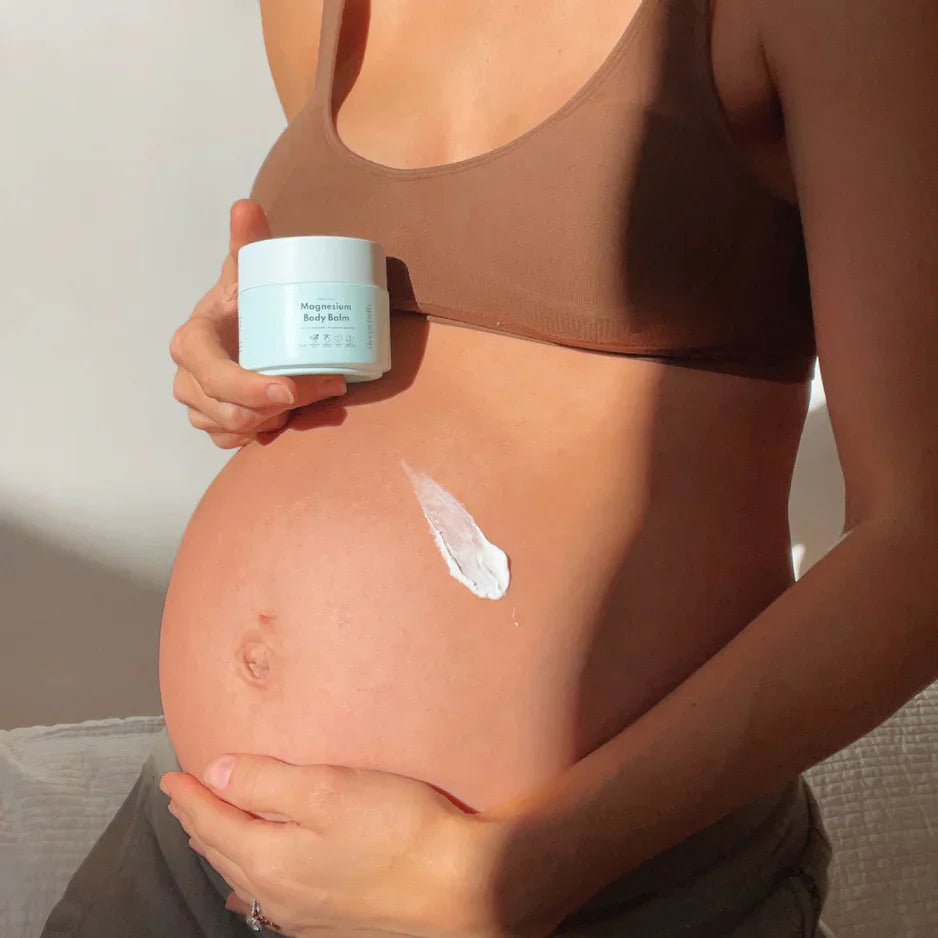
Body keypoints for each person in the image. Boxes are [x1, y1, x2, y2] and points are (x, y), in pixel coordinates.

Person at [42, 1, 937, 936]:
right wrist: (235, 360)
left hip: (585, 886)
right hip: (200, 843)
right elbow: (408, 322)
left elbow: (919, 540)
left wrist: (527, 870)